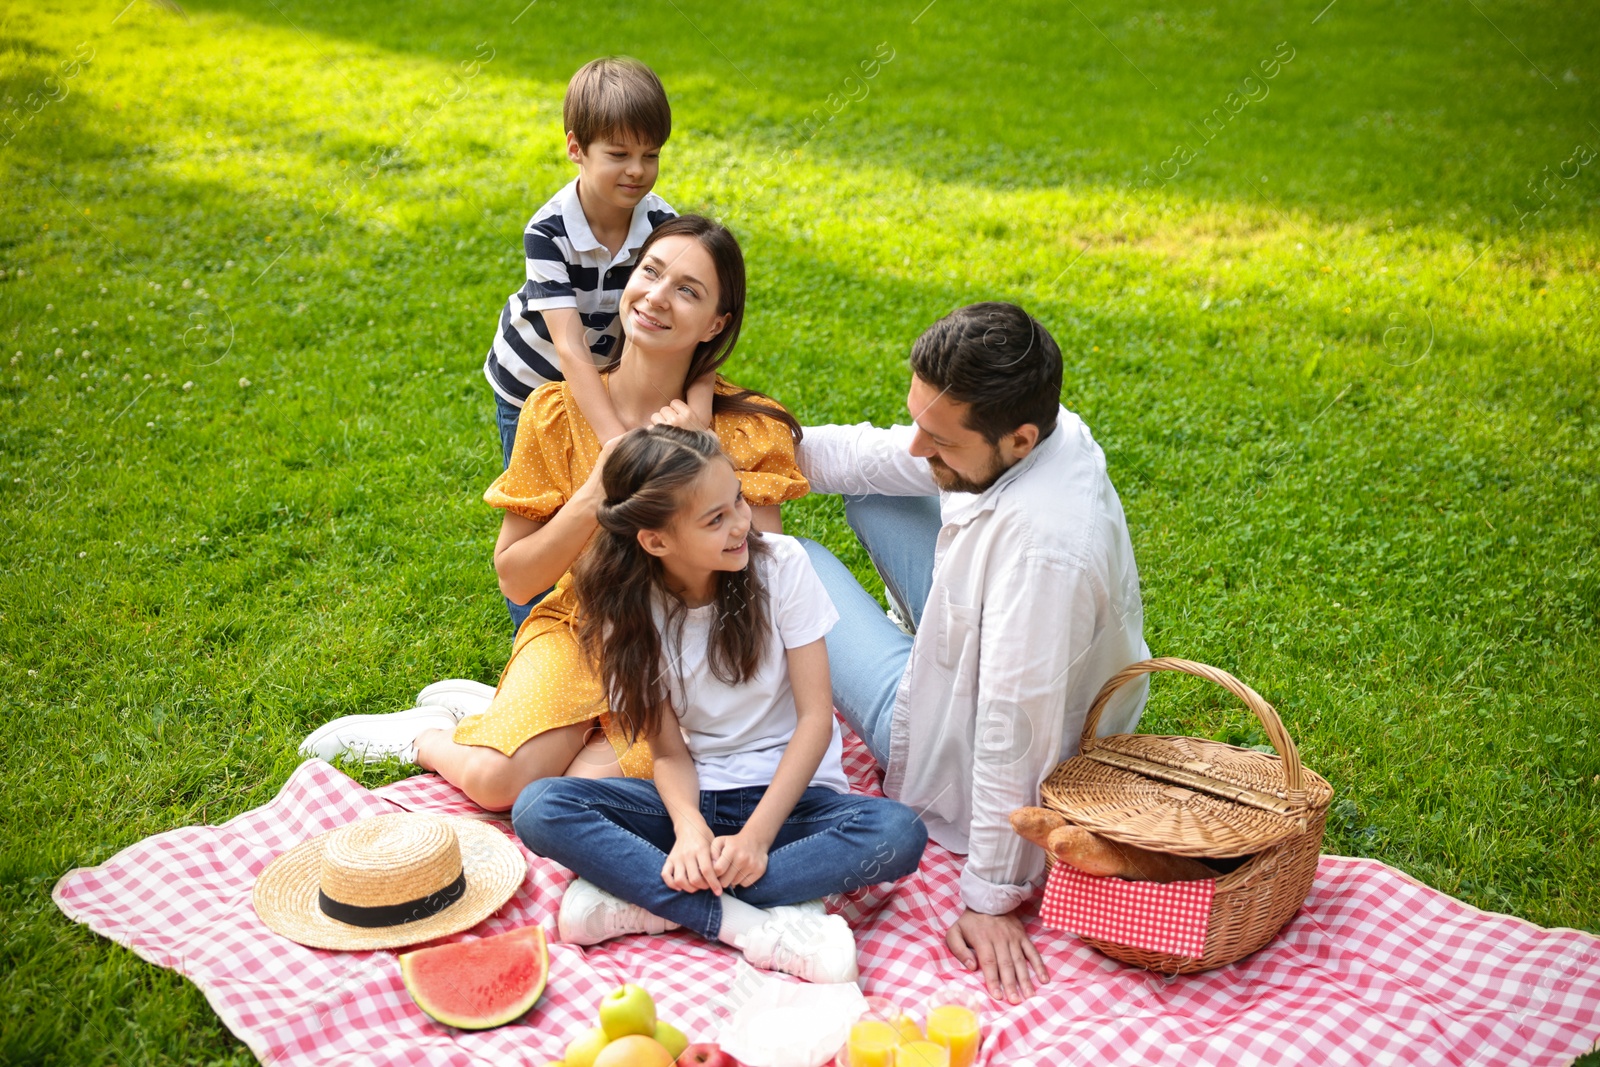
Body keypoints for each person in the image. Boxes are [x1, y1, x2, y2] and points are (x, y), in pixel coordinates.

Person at [300, 216, 810, 809]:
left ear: (716, 323)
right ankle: (428, 737)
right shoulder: (555, 413)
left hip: (687, 652)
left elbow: (760, 576)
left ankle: (498, 714)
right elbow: (517, 576)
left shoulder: (746, 430)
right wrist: (598, 490)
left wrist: (705, 461)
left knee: (572, 795)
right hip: (579, 627)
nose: (657, 297)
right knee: (498, 786)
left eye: (689, 291)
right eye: (651, 272)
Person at [795, 301, 1150, 1004]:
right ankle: (908, 629)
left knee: (788, 562)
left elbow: (1013, 732)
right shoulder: (1045, 426)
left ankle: (891, 658)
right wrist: (742, 445)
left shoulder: (1046, 557)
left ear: (1017, 440)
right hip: (983, 635)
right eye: (919, 421)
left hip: (955, 727)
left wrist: (990, 897)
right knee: (874, 489)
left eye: (942, 440)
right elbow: (893, 452)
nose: (920, 448)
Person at [513, 425, 927, 984]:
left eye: (737, 499)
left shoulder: (781, 565)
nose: (742, 523)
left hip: (796, 808)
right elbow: (667, 754)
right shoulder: (624, 613)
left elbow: (814, 721)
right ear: (656, 541)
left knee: (898, 834)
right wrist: (687, 830)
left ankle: (652, 901)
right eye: (716, 519)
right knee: (539, 807)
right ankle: (738, 921)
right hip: (700, 803)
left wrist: (756, 839)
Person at [481, 56, 716, 631]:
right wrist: (618, 441)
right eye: (618, 154)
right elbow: (568, 349)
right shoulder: (549, 231)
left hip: (604, 370)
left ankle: (613, 615)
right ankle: (532, 632)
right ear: (575, 149)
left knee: (608, 503)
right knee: (545, 507)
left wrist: (701, 417)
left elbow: (705, 333)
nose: (638, 171)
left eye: (651, 154)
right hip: (533, 382)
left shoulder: (663, 223)